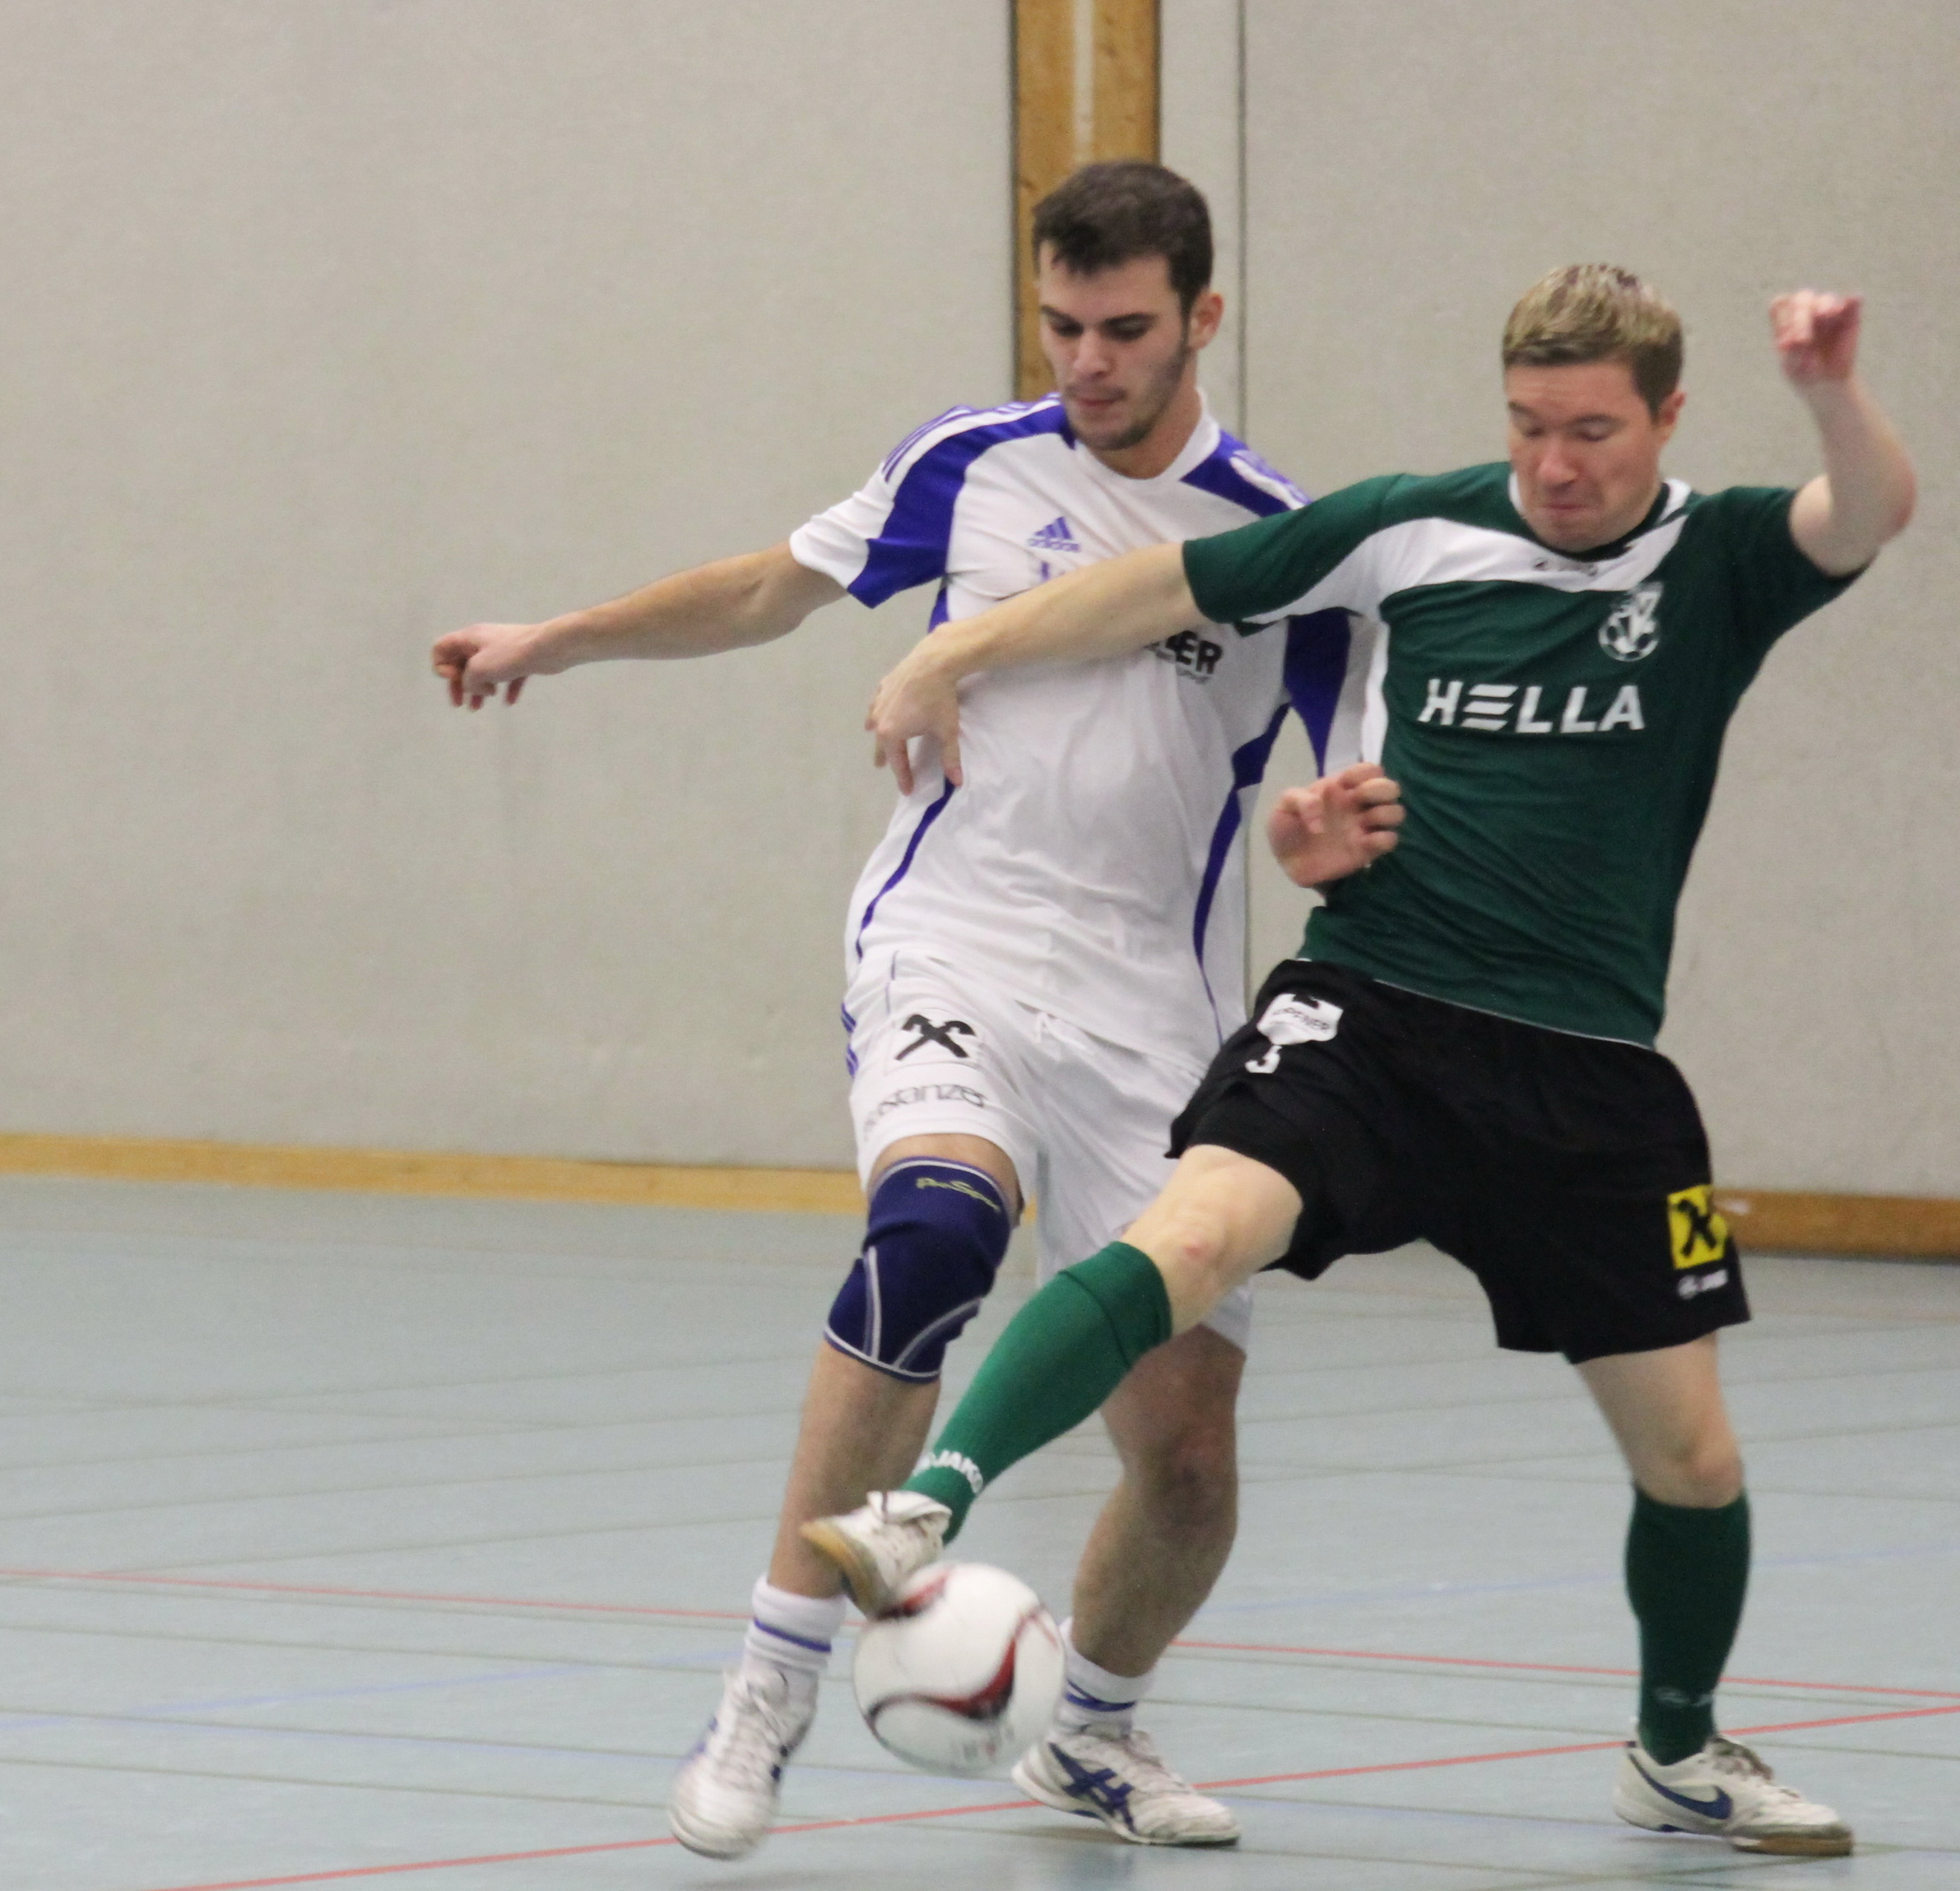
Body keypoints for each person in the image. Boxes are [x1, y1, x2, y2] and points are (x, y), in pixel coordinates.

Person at [810, 266, 1916, 1860]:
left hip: (1588, 1074)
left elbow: (1868, 510)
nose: (1554, 465)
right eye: (1528, 427)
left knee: (1692, 1458)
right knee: (1190, 1239)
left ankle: (1677, 1750)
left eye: (1592, 432)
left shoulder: (1722, 557)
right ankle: (934, 1499)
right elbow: (1156, 590)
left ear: (1668, 417)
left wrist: (1827, 391)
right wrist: (950, 655)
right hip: (1372, 1014)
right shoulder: (1413, 526)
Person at [431, 162, 1388, 1858]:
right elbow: (767, 587)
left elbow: (1368, 792)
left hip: (1153, 1008)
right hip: (950, 938)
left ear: (1204, 319)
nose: (1085, 361)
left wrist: (1334, 840)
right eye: (1060, 324)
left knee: (1187, 1459)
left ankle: (1091, 1733)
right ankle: (769, 1686)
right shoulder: (974, 462)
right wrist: (556, 638)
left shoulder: (1283, 542)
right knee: (934, 1233)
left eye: (1124, 330)